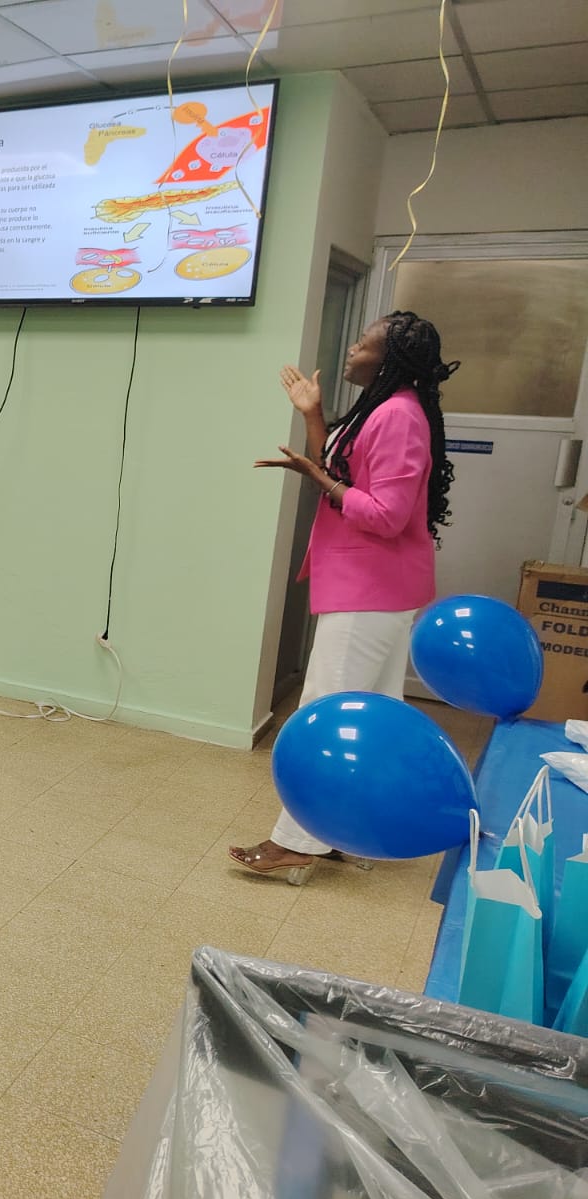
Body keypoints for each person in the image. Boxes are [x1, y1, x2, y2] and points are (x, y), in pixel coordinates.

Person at [232, 310, 458, 879]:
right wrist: (313, 417)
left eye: (363, 342)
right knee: (371, 719)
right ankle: (345, 830)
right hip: (375, 586)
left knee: (326, 715)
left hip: (371, 589)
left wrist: (319, 479)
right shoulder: (384, 409)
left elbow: (384, 514)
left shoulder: (398, 415)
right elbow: (341, 472)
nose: (353, 349)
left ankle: (295, 842)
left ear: (389, 359)